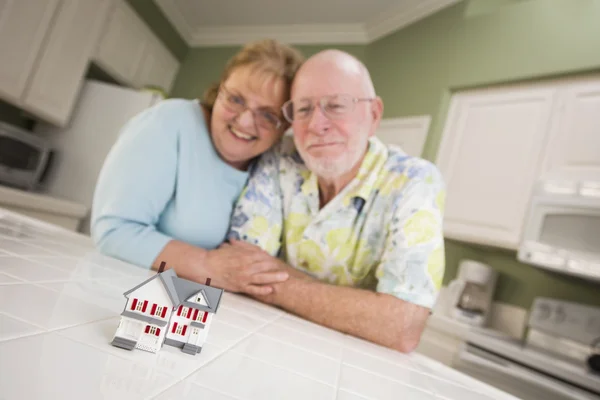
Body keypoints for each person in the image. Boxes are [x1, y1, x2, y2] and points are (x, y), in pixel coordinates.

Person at [226, 49, 446, 353]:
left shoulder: (413, 181)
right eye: (303, 109)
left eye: (336, 106)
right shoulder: (281, 159)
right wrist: (357, 308)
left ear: (374, 115)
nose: (316, 124)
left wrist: (280, 285)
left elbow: (402, 326)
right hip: (258, 344)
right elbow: (240, 266)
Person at [91, 39, 304, 296]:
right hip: (124, 296)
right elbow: (114, 231)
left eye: (268, 115)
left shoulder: (274, 167)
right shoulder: (170, 122)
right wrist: (207, 264)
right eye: (236, 99)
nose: (246, 121)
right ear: (218, 90)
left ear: (284, 127)